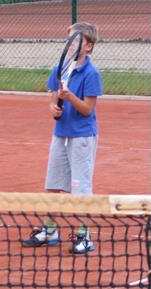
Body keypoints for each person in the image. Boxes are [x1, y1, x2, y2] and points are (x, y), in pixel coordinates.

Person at [23, 22, 103, 254]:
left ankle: (84, 235)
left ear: (88, 46)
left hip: (82, 137)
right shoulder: (61, 68)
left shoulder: (91, 74)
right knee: (52, 184)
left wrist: (69, 97)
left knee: (81, 187)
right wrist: (53, 107)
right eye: (69, 39)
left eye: (76, 40)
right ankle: (50, 231)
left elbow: (88, 109)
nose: (70, 43)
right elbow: (52, 96)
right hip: (60, 134)